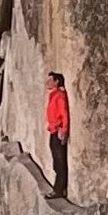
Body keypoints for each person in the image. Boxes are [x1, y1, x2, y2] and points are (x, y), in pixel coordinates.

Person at [44, 70, 70, 200]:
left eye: (50, 80)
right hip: (53, 130)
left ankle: (59, 190)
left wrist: (64, 130)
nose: (47, 83)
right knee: (56, 161)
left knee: (60, 162)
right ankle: (59, 189)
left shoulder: (59, 95)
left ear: (56, 82)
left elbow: (64, 113)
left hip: (58, 131)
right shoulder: (53, 95)